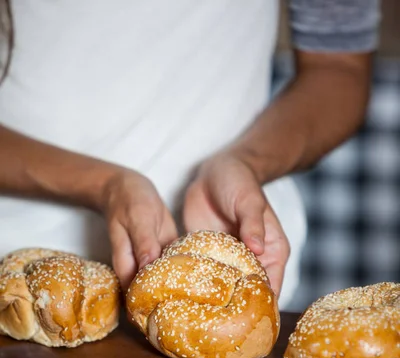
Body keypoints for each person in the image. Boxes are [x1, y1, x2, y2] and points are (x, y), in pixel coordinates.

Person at [0, 0, 380, 308]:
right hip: (17, 277)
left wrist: (247, 161)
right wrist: (105, 186)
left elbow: (338, 67)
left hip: (234, 277)